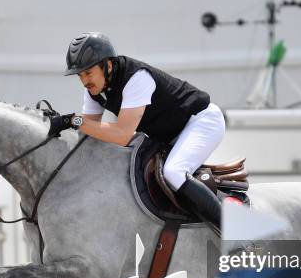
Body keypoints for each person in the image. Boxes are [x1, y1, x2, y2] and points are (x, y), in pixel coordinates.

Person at [51, 32, 225, 233]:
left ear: (107, 65)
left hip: (202, 122)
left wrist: (73, 120)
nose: (84, 80)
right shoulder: (93, 90)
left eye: (88, 73)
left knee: (173, 172)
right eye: (80, 75)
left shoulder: (136, 78)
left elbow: (122, 134)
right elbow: (90, 132)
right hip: (170, 135)